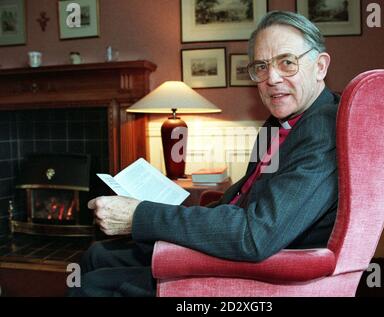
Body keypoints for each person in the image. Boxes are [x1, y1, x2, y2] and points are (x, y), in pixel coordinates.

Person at [68, 10, 339, 297]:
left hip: (261, 271)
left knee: (89, 287)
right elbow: (244, 195)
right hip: (232, 242)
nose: (271, 78)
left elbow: (256, 235)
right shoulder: (274, 125)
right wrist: (163, 215)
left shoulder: (323, 130)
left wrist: (141, 216)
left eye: (287, 63)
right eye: (261, 66)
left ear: (320, 66)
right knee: (97, 253)